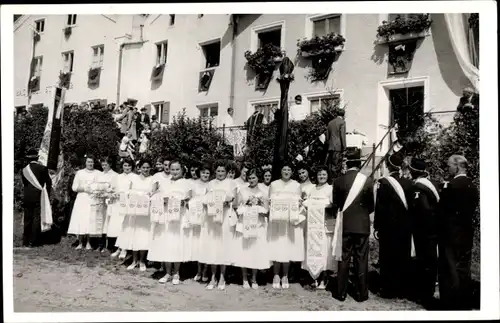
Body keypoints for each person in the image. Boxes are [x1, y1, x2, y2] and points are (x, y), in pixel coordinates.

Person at [331, 149, 374, 302]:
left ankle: (340, 293)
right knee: (361, 260)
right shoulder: (368, 180)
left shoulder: (338, 181)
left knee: (343, 259)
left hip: (345, 225)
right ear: (359, 164)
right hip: (362, 226)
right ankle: (361, 294)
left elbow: (336, 205)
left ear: (347, 163)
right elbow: (371, 206)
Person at [437, 155, 479, 310]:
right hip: (466, 233)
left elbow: (441, 212)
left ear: (457, 167)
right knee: (463, 268)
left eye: (449, 166)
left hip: (450, 234)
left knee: (449, 269)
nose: (447, 169)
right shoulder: (472, 186)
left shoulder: (451, 186)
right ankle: (464, 302)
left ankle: (450, 304)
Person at [373, 152, 413, 299]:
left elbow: (380, 207)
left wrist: (376, 226)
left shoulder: (384, 183)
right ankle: (402, 289)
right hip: (405, 227)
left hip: (388, 227)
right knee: (403, 256)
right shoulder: (409, 183)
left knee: (387, 257)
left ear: (388, 166)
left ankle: (388, 289)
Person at [149, 160, 191, 284]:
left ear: (182, 170)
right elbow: (157, 197)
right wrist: (163, 200)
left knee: (176, 243)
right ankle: (167, 272)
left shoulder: (186, 183)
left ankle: (176, 273)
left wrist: (182, 202)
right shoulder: (165, 183)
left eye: (177, 169)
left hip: (178, 217)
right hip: (167, 216)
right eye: (172, 169)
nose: (175, 172)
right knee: (166, 243)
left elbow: (189, 200)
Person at [199, 160, 236, 290]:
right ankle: (213, 277)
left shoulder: (232, 183)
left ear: (227, 172)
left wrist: (227, 202)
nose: (220, 173)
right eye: (218, 171)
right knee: (213, 246)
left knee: (223, 246)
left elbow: (235, 200)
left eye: (223, 171)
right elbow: (205, 199)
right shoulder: (210, 184)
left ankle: (222, 277)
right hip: (212, 219)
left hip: (225, 218)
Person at [407, 158, 440, 307]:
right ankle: (429, 290)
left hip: (423, 230)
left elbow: (423, 209)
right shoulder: (433, 183)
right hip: (434, 229)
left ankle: (424, 293)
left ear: (414, 171)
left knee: (424, 261)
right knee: (431, 261)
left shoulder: (418, 187)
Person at [233, 167, 271, 289]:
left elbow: (266, 211)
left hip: (258, 225)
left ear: (258, 178)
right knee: (245, 251)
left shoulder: (263, 193)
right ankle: (244, 278)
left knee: (255, 251)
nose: (251, 180)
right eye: (249, 177)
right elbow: (236, 207)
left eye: (253, 177)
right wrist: (246, 206)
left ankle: (254, 278)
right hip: (245, 224)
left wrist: (259, 208)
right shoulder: (242, 191)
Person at [267, 163, 304, 289]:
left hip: (289, 223)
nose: (286, 171)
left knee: (287, 247)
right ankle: (276, 275)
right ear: (281, 171)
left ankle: (285, 275)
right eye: (284, 169)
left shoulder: (296, 185)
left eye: (289, 169)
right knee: (277, 246)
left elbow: (299, 204)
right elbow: (269, 202)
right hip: (277, 223)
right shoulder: (274, 184)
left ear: (292, 172)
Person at [302, 165, 336, 289]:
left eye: (324, 174)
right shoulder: (311, 189)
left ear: (328, 176)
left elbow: (333, 205)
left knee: (323, 250)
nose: (321, 177)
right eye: (319, 174)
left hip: (323, 224)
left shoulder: (330, 189)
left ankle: (323, 278)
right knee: (312, 248)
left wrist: (322, 206)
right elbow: (306, 202)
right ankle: (312, 277)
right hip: (311, 226)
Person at [116, 159, 153, 271]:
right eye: (143, 167)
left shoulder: (152, 179)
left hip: (145, 212)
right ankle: (134, 260)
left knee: (143, 236)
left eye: (147, 167)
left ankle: (142, 261)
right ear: (139, 168)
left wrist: (146, 196)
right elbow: (127, 192)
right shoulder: (133, 178)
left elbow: (154, 193)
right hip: (134, 211)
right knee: (134, 235)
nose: (145, 170)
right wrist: (136, 194)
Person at [67, 154, 103, 250]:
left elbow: (101, 186)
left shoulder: (98, 173)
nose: (90, 164)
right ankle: (80, 242)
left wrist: (94, 189)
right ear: (85, 162)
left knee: (89, 220)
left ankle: (88, 242)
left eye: (92, 162)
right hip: (82, 199)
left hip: (92, 199)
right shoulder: (79, 173)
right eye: (88, 162)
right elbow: (74, 187)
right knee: (81, 219)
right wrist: (84, 188)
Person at [21, 148, 53, 248]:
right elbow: (48, 183)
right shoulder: (43, 168)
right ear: (37, 157)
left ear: (28, 159)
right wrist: (46, 194)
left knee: (27, 218)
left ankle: (25, 241)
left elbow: (25, 183)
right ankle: (33, 241)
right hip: (38, 195)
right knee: (36, 218)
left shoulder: (24, 170)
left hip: (27, 196)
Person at [111, 158, 138, 259]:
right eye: (125, 165)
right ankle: (118, 248)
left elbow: (134, 190)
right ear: (122, 166)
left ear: (132, 167)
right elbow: (114, 189)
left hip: (129, 203)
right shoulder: (118, 177)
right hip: (119, 203)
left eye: (129, 166)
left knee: (126, 226)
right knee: (119, 226)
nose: (127, 167)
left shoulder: (135, 177)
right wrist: (114, 194)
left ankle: (124, 249)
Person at [191, 163, 212, 283]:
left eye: (207, 173)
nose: (205, 175)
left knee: (206, 243)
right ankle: (198, 270)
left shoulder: (211, 184)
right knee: (197, 244)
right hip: (195, 215)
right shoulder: (193, 184)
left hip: (207, 216)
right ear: (199, 173)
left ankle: (205, 270)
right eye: (203, 172)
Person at [98, 156, 121, 253]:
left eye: (106, 164)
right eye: (102, 164)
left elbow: (115, 189)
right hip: (100, 200)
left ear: (110, 164)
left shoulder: (115, 175)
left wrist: (108, 194)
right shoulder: (100, 174)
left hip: (110, 201)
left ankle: (110, 245)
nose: (104, 166)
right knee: (101, 221)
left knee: (109, 222)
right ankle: (101, 244)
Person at [325, 108, 347, 179]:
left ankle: (331, 180)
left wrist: (329, 145)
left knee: (331, 165)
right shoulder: (342, 122)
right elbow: (342, 136)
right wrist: (344, 148)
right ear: (343, 115)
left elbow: (327, 137)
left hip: (330, 147)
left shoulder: (330, 123)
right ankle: (335, 181)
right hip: (338, 147)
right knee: (337, 165)